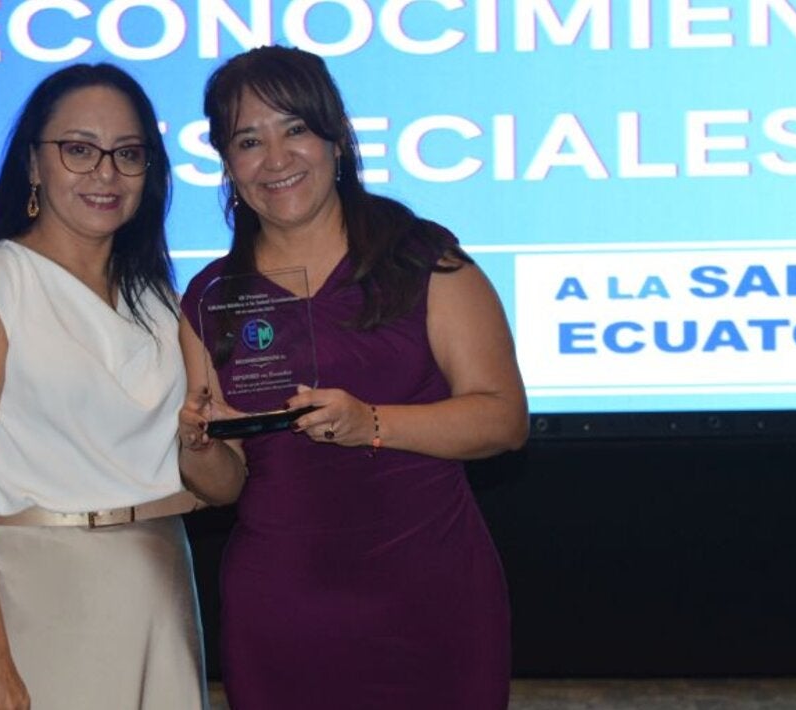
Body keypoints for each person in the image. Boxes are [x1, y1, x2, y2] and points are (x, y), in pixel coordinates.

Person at [177, 46, 529, 709]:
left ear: (335, 138)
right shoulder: (209, 299)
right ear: (226, 162)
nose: (276, 158)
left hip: (431, 601)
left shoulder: (423, 261)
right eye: (249, 140)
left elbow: (504, 419)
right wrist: (197, 446)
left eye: (296, 129)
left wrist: (372, 422)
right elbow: (223, 485)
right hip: (282, 615)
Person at [0, 64, 207, 710]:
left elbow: (202, 466)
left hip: (159, 584)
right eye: (79, 150)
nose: (105, 174)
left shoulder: (161, 300)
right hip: (41, 597)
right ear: (34, 164)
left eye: (128, 154)